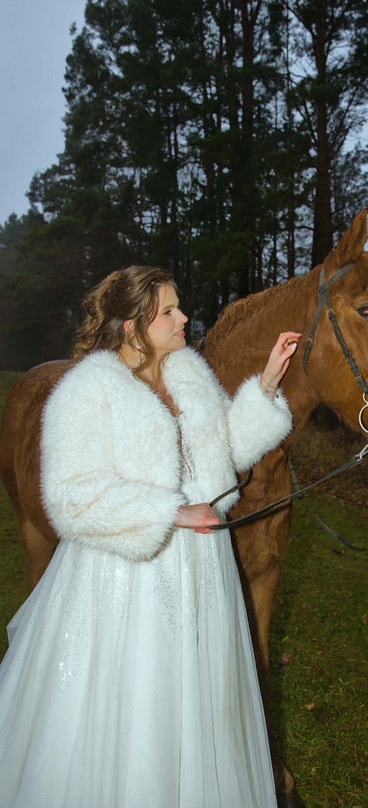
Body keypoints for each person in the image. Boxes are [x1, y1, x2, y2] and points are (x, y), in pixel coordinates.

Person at [0, 266, 301, 808]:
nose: (184, 317)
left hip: (203, 569)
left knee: (200, 696)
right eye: (168, 311)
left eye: (178, 306)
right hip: (127, 576)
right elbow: (71, 495)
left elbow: (224, 453)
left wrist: (267, 386)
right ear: (132, 327)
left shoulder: (190, 374)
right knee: (138, 698)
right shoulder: (89, 389)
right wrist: (171, 513)